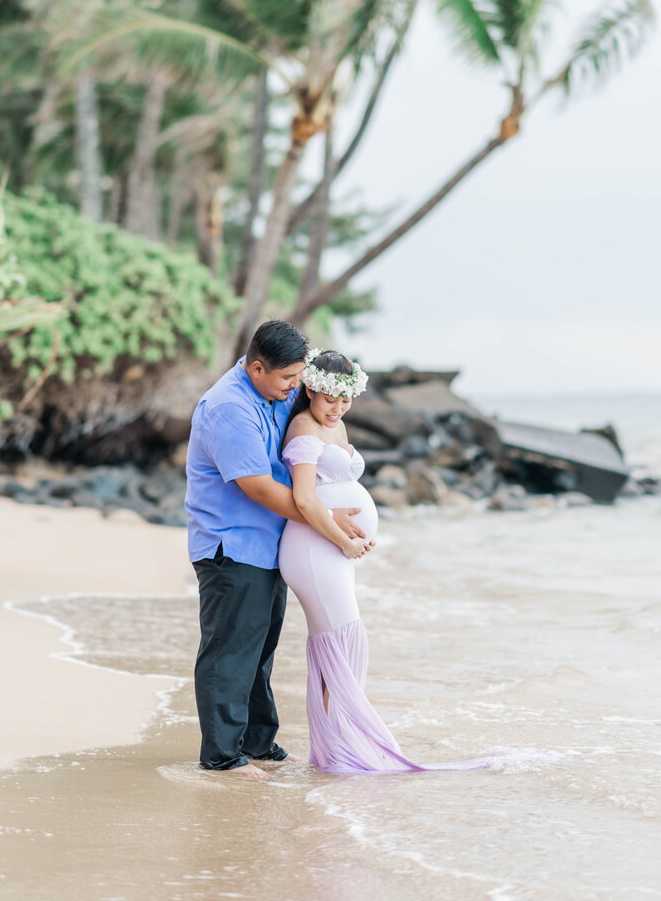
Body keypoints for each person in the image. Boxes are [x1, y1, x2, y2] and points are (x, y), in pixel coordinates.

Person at [279, 348, 490, 775]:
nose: (337, 408)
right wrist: (345, 539)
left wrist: (351, 540)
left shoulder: (333, 426)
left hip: (329, 549)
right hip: (312, 548)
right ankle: (345, 747)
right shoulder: (303, 428)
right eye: (329, 399)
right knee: (347, 638)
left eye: (345, 400)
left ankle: (332, 747)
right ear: (310, 390)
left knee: (332, 645)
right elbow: (304, 497)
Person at [185, 321, 371, 780]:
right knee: (231, 649)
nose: (295, 389)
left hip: (272, 544)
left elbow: (315, 416)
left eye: (299, 378)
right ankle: (222, 757)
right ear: (256, 367)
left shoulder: (276, 390)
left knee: (261, 647)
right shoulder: (227, 408)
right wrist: (328, 525)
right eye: (289, 380)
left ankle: (258, 742)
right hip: (232, 544)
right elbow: (261, 489)